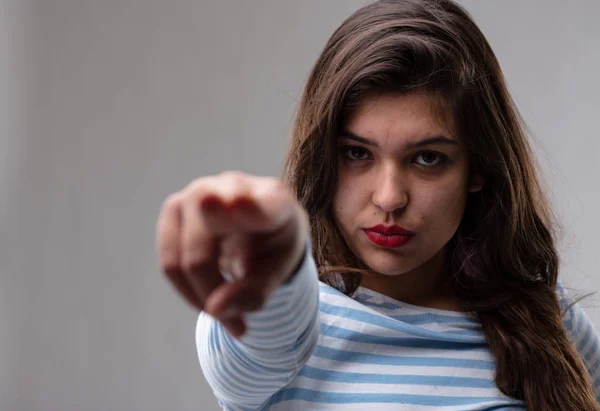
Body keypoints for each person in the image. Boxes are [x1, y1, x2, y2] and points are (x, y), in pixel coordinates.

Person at [156, 0, 600, 409]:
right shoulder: (285, 319)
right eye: (357, 153)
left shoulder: (550, 322)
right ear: (324, 158)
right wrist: (279, 258)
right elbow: (261, 336)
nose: (389, 197)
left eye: (428, 158)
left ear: (478, 170)